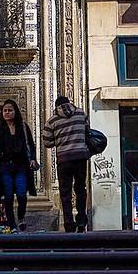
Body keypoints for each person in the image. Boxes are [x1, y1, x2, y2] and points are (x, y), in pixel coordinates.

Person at [0, 99, 38, 233]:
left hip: (21, 165)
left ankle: (21, 217)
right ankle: (12, 225)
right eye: (5, 110)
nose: (7, 113)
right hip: (4, 166)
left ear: (15, 112)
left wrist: (33, 159)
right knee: (8, 196)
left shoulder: (23, 127)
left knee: (22, 193)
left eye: (10, 110)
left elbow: (31, 145)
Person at [43, 95, 90, 233]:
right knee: (81, 189)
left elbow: (47, 142)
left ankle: (69, 224)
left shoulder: (52, 120)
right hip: (81, 157)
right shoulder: (81, 113)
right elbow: (87, 131)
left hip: (64, 159)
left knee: (65, 192)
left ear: (56, 106)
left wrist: (60, 140)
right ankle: (81, 220)